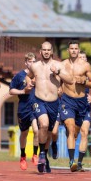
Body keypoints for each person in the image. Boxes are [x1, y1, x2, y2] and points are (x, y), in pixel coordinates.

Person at [27, 41, 73, 173]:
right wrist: (29, 82)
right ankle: (42, 154)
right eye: (44, 50)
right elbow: (28, 76)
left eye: (48, 50)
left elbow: (70, 79)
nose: (46, 52)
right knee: (44, 124)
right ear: (40, 52)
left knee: (49, 133)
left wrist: (58, 72)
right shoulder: (35, 66)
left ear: (51, 51)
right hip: (39, 100)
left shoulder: (58, 65)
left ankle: (45, 156)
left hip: (54, 102)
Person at [60, 41, 91, 172]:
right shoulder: (62, 65)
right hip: (67, 100)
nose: (74, 50)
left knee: (76, 133)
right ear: (68, 50)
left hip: (81, 102)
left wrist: (84, 81)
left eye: (76, 48)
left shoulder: (85, 65)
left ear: (78, 50)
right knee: (70, 129)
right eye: (71, 48)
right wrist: (59, 88)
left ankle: (79, 161)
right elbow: (56, 79)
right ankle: (72, 161)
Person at [9, 52, 40, 170]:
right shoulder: (19, 76)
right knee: (24, 133)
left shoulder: (38, 75)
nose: (32, 64)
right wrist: (23, 91)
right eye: (30, 61)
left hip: (35, 106)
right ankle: (22, 156)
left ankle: (35, 154)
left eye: (34, 61)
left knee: (37, 130)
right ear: (26, 62)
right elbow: (11, 91)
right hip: (23, 108)